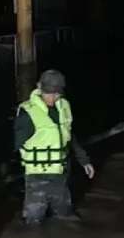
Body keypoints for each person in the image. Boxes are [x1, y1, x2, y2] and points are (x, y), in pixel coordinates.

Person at [13, 69, 95, 224]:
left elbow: (70, 136)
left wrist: (84, 160)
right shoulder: (26, 113)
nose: (52, 97)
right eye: (48, 93)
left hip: (61, 174)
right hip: (37, 177)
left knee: (66, 217)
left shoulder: (64, 106)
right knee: (33, 222)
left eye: (56, 94)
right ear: (39, 88)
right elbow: (17, 146)